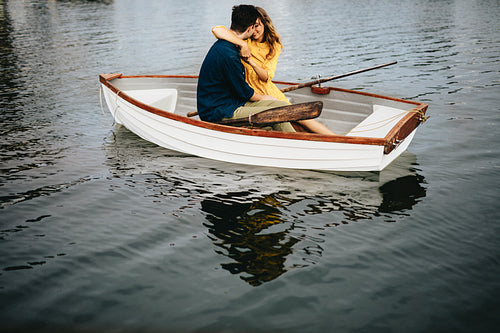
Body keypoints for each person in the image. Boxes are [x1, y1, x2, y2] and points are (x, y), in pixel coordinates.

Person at [212, 7, 336, 135]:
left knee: (302, 119)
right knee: (289, 124)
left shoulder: (273, 46)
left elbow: (266, 76)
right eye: (252, 26)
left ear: (264, 23)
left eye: (257, 25)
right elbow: (217, 30)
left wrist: (251, 62)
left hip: (268, 92)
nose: (255, 30)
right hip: (251, 94)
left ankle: (336, 139)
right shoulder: (245, 40)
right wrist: (242, 44)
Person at [197, 5, 295, 132]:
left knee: (282, 105)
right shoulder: (230, 55)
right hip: (220, 111)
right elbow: (245, 93)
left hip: (231, 102)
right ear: (250, 28)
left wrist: (270, 99)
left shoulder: (229, 44)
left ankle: (283, 138)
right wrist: (265, 98)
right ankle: (298, 145)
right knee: (277, 112)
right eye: (254, 27)